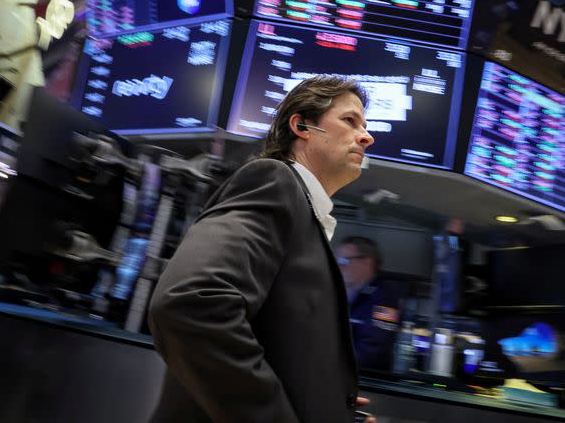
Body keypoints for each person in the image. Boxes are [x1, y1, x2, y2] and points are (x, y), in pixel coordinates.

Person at [148, 76, 377, 423]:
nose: (367, 136)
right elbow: (191, 302)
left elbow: (278, 343)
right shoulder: (275, 182)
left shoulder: (306, 215)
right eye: (350, 121)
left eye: (365, 126)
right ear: (302, 125)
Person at [337, 236, 404, 371]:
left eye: (343, 261)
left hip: (366, 381)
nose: (338, 267)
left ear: (367, 263)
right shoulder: (344, 293)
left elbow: (373, 350)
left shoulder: (384, 299)